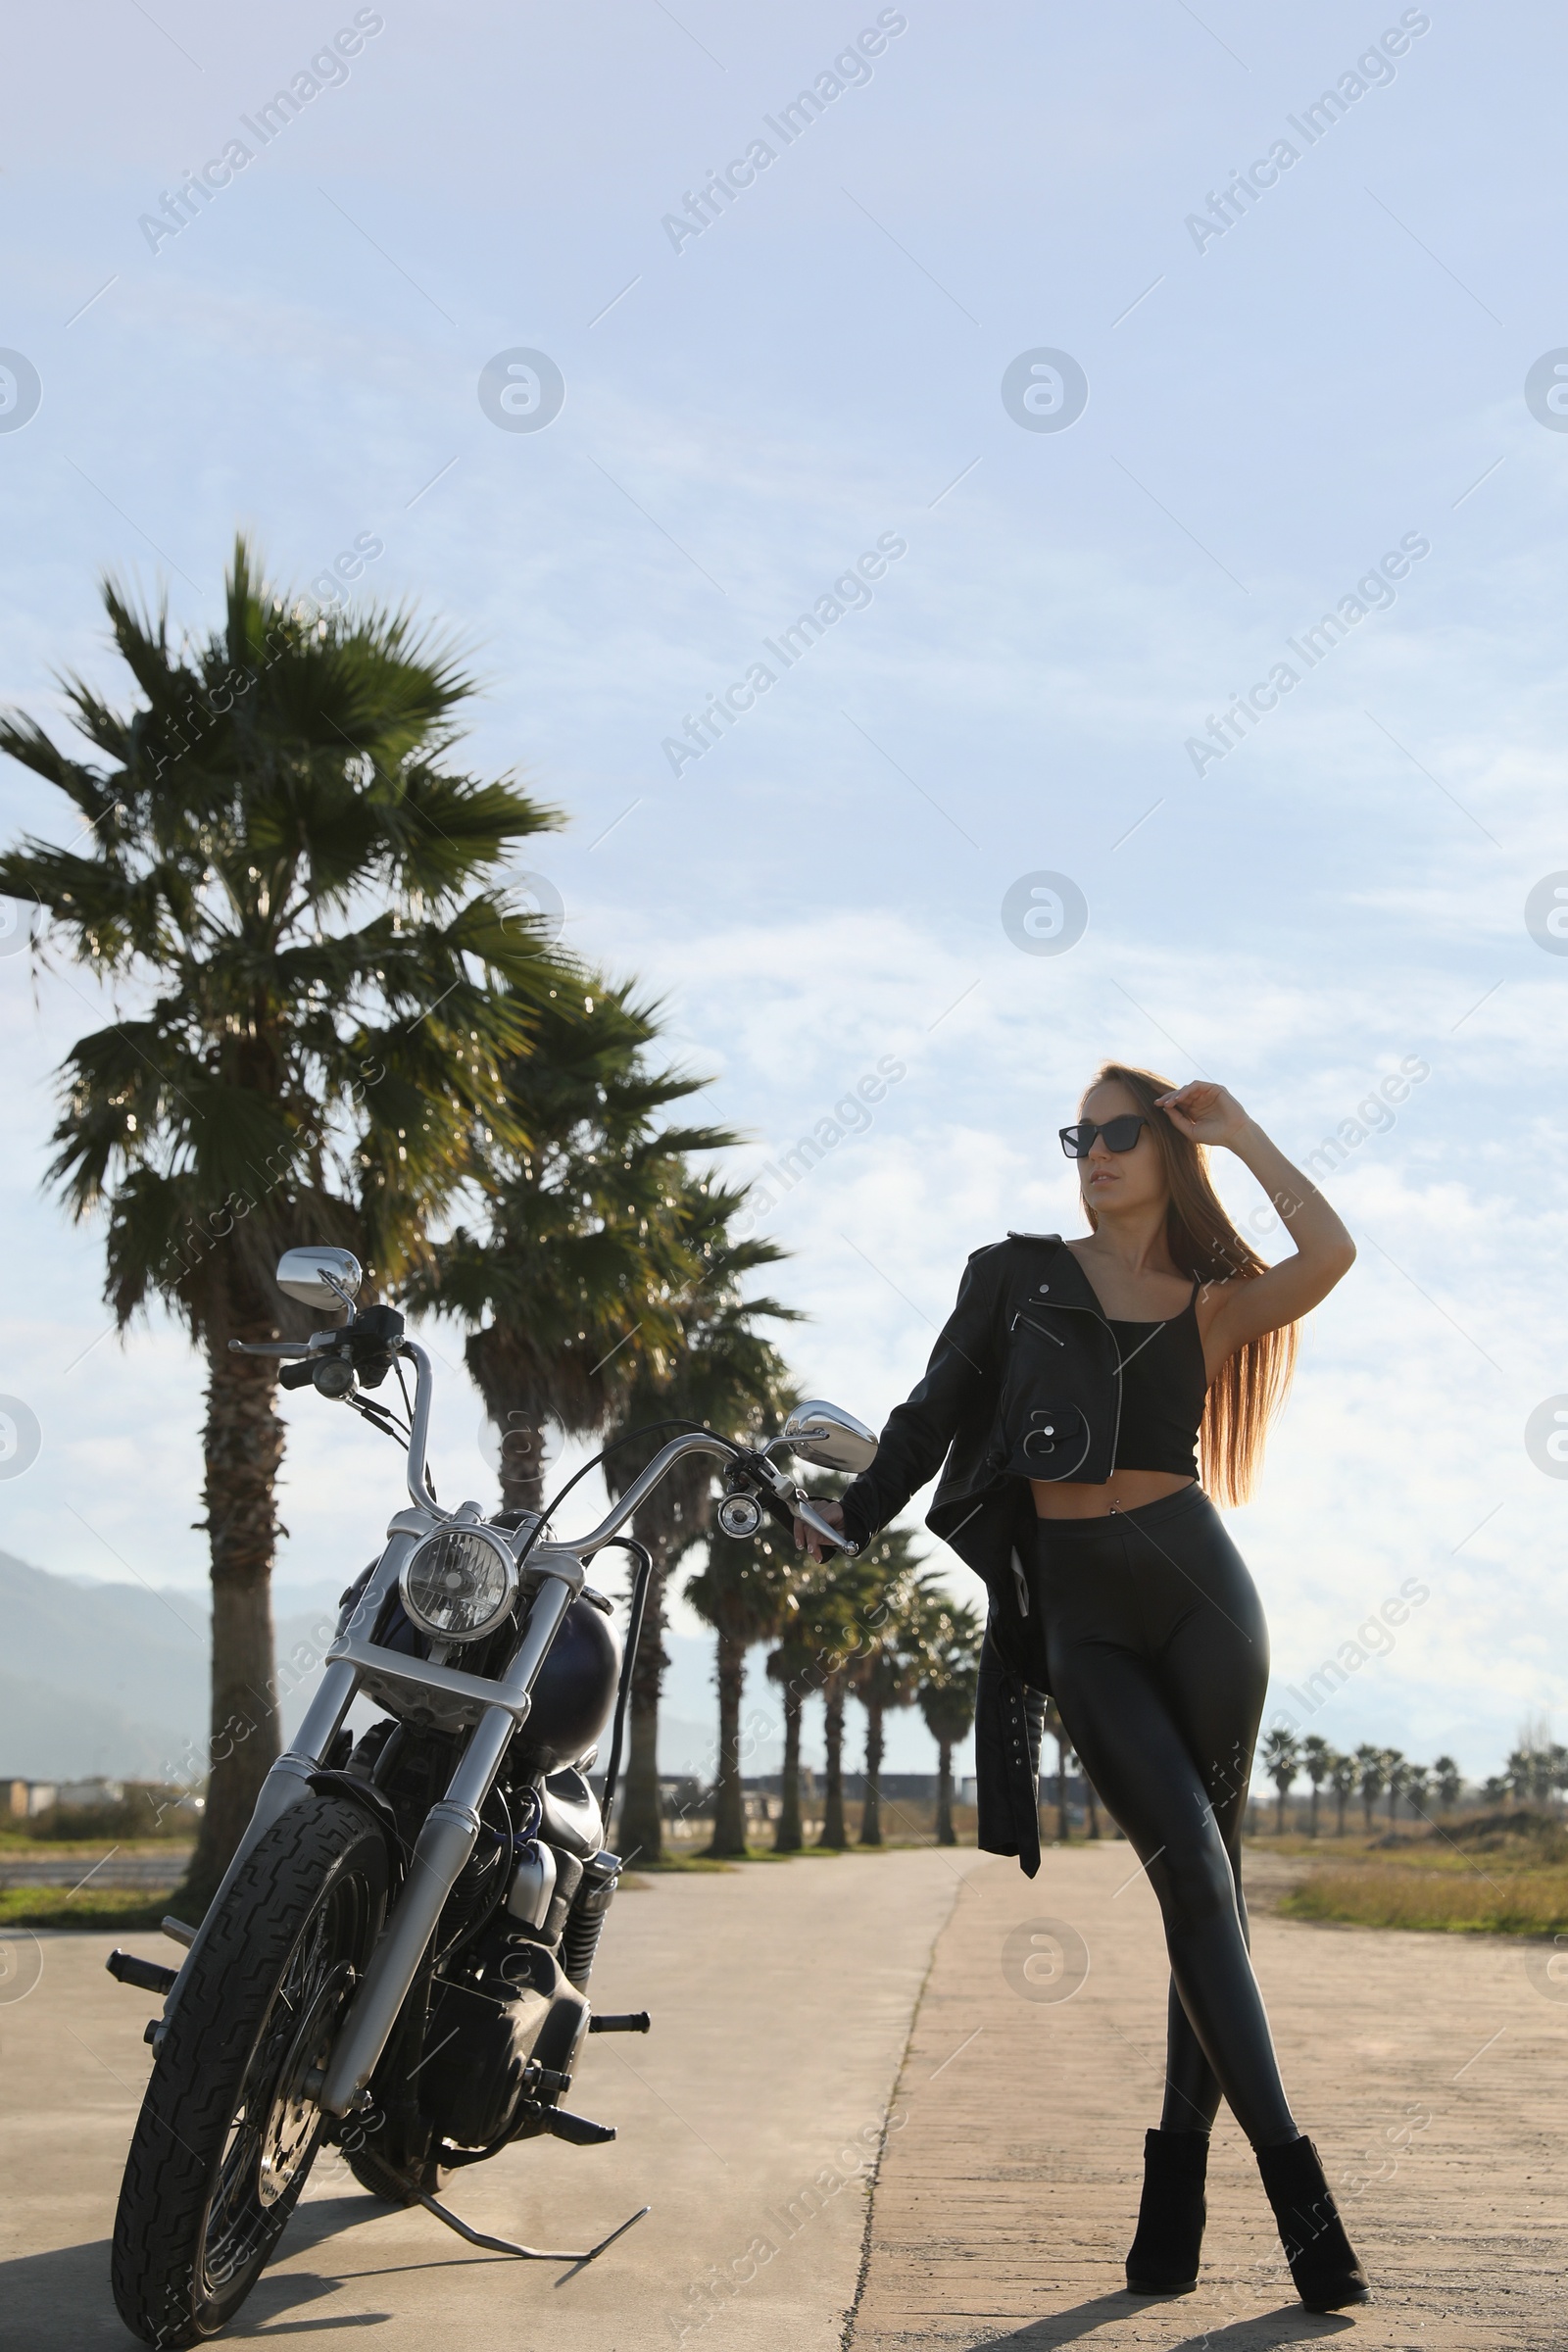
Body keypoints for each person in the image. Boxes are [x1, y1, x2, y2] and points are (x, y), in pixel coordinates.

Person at [795, 1062, 1368, 2312]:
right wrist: (851, 1511)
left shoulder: (1205, 1305)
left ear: (1166, 1151)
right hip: (1083, 1619)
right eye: (1081, 1134)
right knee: (1191, 1880)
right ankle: (1300, 2201)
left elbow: (1330, 1253)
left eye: (1121, 1133)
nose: (1095, 1151)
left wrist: (1243, 1131)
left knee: (1204, 1902)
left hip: (1206, 1603)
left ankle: (1175, 2202)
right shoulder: (1012, 1274)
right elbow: (933, 1410)